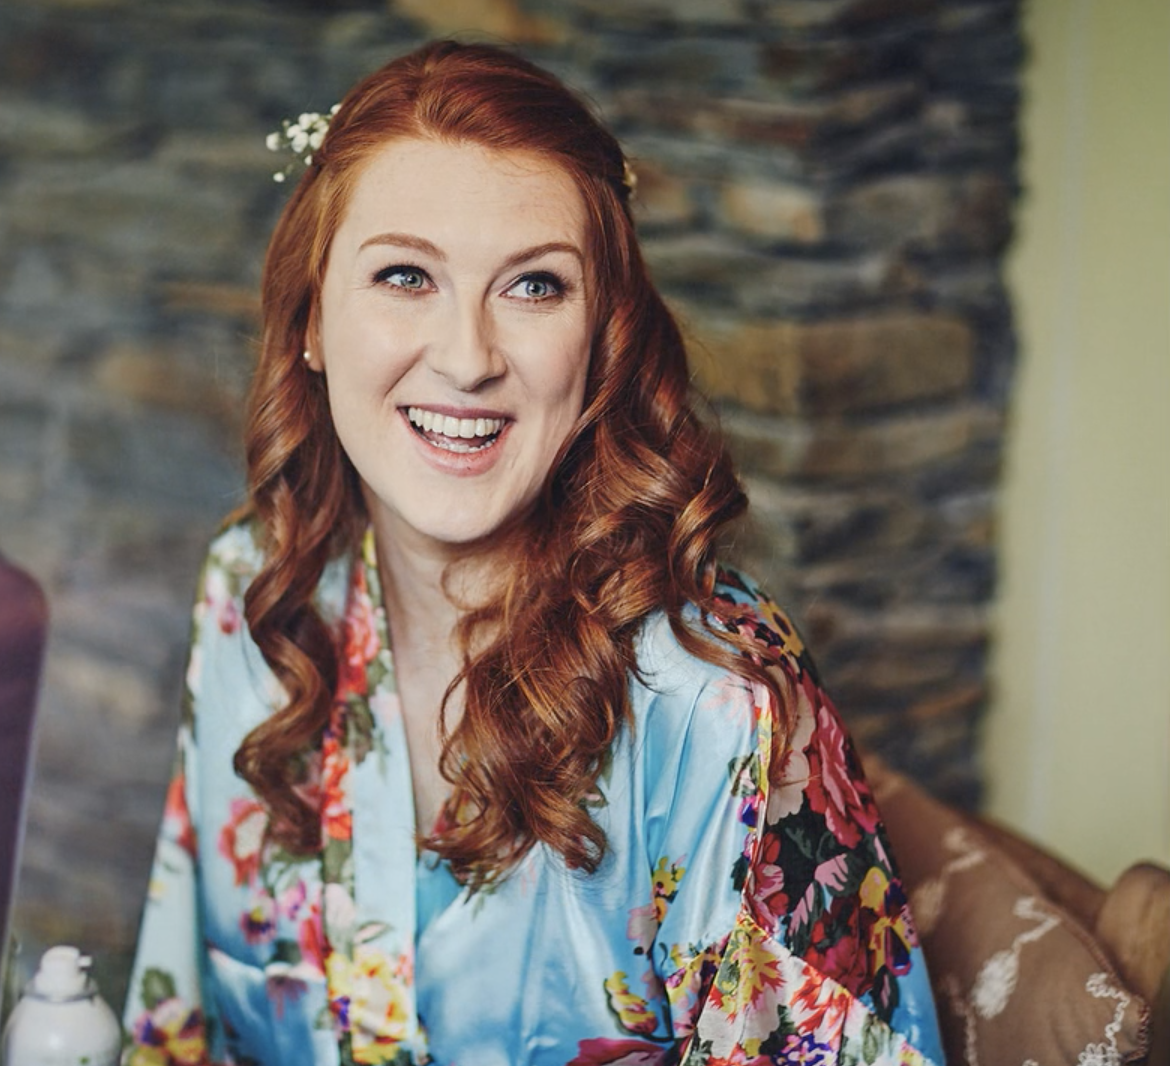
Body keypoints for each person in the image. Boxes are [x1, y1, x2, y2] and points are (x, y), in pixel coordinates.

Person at [122, 40, 944, 1066]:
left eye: (535, 287)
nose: (468, 357)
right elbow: (175, 1021)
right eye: (405, 274)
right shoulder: (256, 587)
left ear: (602, 339)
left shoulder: (719, 701)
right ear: (311, 323)